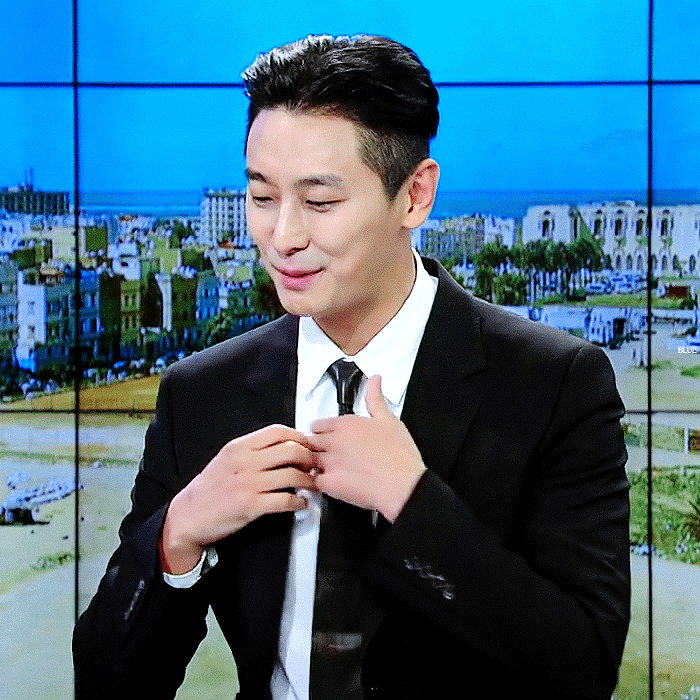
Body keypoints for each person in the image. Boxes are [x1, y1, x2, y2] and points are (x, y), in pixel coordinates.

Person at [73, 34, 630, 700]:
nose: (283, 238)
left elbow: (583, 670)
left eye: (320, 203)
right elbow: (106, 681)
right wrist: (179, 531)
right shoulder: (201, 395)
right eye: (261, 197)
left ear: (415, 196)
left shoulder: (554, 385)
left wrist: (413, 504)